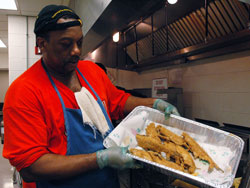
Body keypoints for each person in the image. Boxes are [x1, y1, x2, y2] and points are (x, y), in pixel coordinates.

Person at [2, 4, 180, 188]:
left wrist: (154, 105)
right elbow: (31, 167)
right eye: (66, 44)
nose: (76, 51)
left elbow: (118, 101)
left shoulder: (91, 71)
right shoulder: (24, 92)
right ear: (42, 44)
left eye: (79, 42)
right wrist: (100, 159)